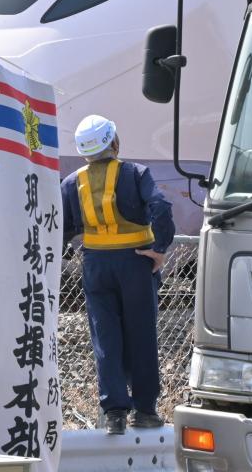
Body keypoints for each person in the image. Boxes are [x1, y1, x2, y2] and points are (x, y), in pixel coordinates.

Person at [61, 114, 174, 435]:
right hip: (136, 263)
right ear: (114, 142)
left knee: (106, 338)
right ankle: (145, 410)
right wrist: (160, 248)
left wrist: (70, 250)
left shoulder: (72, 182)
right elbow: (161, 207)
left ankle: (114, 414)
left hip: (96, 265)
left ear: (84, 151)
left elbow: (61, 224)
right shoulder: (136, 173)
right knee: (140, 335)